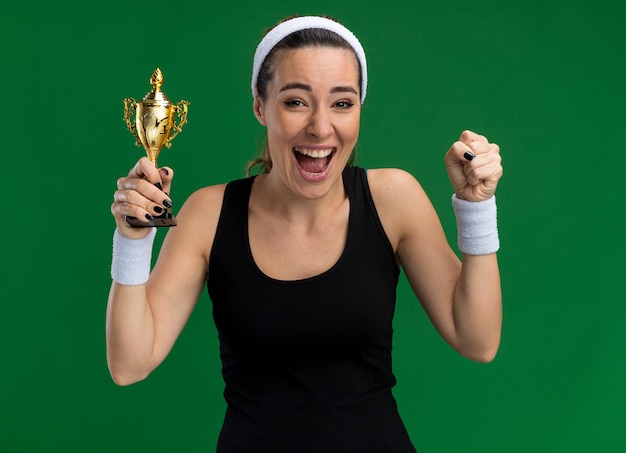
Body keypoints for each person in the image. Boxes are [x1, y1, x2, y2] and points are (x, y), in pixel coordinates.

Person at [107, 15, 503, 452]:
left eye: (342, 103)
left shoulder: (394, 199)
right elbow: (129, 363)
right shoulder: (209, 212)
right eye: (296, 102)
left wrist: (476, 206)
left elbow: (477, 340)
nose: (319, 126)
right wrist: (132, 241)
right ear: (260, 105)